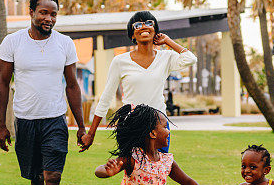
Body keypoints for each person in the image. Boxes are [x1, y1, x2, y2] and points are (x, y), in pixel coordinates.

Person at [0, 0, 87, 185]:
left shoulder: (65, 44)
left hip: (55, 120)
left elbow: (72, 85)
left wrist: (80, 126)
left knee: (53, 176)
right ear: (32, 12)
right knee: (35, 178)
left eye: (53, 14)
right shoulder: (13, 42)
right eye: (44, 13)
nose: (49, 18)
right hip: (25, 120)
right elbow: (2, 84)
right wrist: (2, 125)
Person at [80, 11, 196, 153]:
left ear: (155, 31)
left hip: (158, 125)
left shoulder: (166, 57)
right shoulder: (120, 61)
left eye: (149, 23)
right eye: (138, 25)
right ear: (132, 35)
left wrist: (167, 41)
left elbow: (190, 59)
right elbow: (106, 97)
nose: (144, 27)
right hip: (131, 124)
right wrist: (91, 134)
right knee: (133, 172)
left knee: (159, 170)